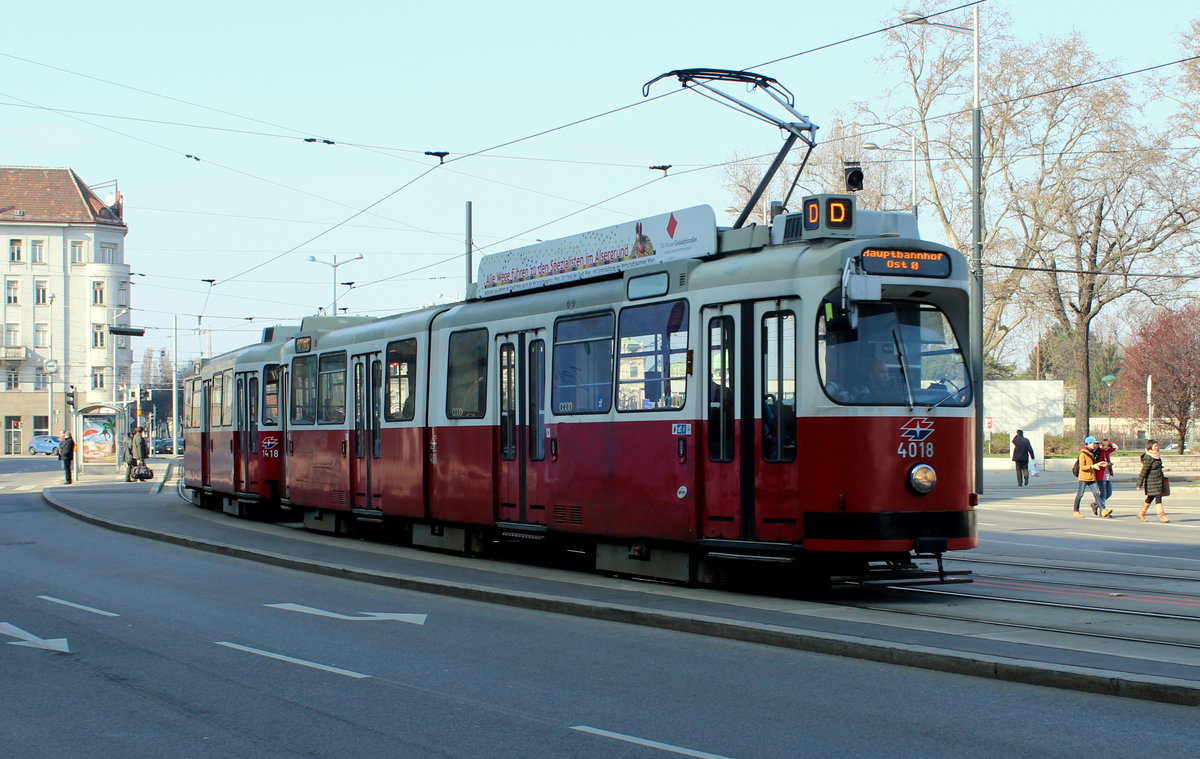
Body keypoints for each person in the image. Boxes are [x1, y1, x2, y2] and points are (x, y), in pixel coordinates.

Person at [1072, 435, 1112, 518]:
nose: (1095, 445)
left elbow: (1093, 464)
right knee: (1080, 494)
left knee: (1096, 494)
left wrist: (1099, 464)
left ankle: (1103, 510)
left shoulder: (1092, 452)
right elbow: (1082, 467)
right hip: (1083, 477)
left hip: (1091, 477)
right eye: (1093, 443)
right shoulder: (1083, 454)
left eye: (1096, 443)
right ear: (1088, 443)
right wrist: (1092, 466)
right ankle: (1076, 511)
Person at [1136, 439, 1170, 523]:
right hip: (1151, 481)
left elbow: (1158, 466)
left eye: (1157, 445)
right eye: (1155, 446)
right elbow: (1144, 471)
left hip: (1159, 480)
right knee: (1158, 497)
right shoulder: (1148, 457)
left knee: (1150, 497)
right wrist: (1139, 484)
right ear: (1150, 447)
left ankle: (1141, 513)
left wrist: (1162, 468)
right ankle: (1162, 516)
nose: (1157, 447)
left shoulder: (1157, 455)